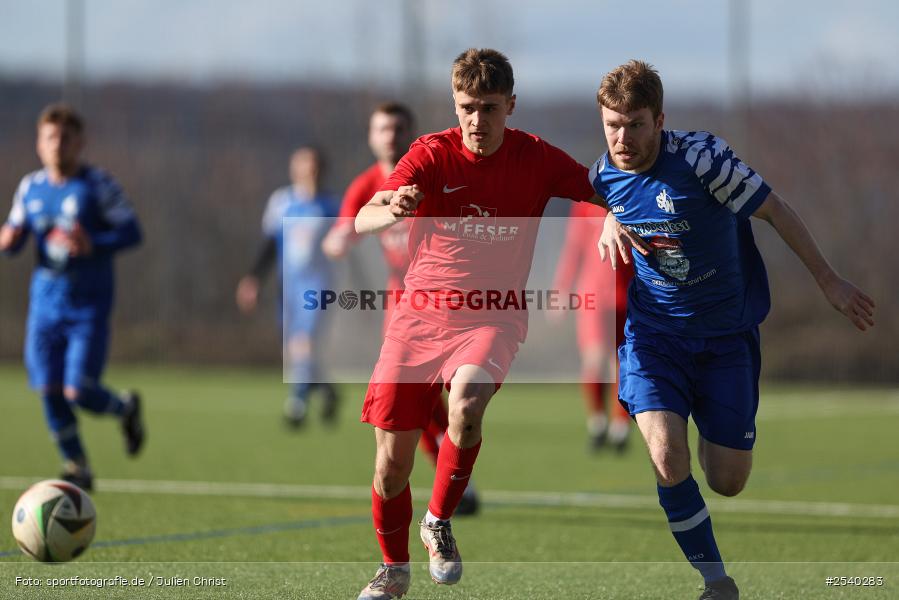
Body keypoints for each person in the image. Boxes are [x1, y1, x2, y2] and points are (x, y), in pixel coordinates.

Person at [592, 60, 875, 600]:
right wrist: (608, 215)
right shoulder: (601, 174)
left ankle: (703, 423)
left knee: (727, 479)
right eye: (612, 124)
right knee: (666, 456)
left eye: (635, 124)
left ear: (660, 120)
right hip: (654, 338)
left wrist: (829, 280)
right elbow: (598, 193)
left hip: (726, 338)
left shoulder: (703, 160)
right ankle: (716, 581)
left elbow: (776, 210)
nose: (622, 137)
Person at [353, 48, 607, 600]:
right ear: (454, 103)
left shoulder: (536, 158)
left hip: (492, 316)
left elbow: (604, 189)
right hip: (416, 319)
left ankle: (438, 520)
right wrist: (392, 208)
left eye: (490, 108)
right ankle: (393, 571)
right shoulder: (430, 155)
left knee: (466, 401)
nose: (477, 120)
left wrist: (615, 218)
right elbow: (362, 215)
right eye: (468, 107)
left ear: (510, 106)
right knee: (391, 467)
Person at [321, 102, 480, 515]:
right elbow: (345, 229)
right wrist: (336, 242)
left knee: (459, 394)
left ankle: (455, 471)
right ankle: (452, 477)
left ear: (409, 133)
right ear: (372, 137)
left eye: (397, 128)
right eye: (381, 129)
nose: (389, 136)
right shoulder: (367, 184)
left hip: (456, 299)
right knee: (413, 399)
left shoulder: (429, 169)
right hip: (404, 303)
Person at [0, 103, 145, 492]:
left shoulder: (99, 186)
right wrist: (9, 241)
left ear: (80, 143)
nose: (57, 146)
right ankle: (77, 465)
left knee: (77, 390)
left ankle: (124, 408)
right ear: (39, 144)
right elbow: (11, 235)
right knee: (47, 388)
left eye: (66, 138)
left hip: (88, 306)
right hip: (45, 305)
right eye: (51, 138)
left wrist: (93, 243)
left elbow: (132, 233)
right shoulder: (31, 187)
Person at [236, 147, 340, 427]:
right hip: (288, 286)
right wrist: (253, 278)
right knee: (294, 350)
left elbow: (347, 251)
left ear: (322, 169)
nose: (309, 171)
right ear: (295, 169)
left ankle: (297, 402)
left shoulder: (332, 206)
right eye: (304, 166)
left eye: (314, 166)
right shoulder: (282, 202)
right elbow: (270, 244)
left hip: (319, 286)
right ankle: (327, 390)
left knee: (303, 342)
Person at [552, 201, 634, 452]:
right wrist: (562, 289)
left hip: (628, 295)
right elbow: (574, 247)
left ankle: (620, 428)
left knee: (623, 363)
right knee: (594, 358)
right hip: (593, 296)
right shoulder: (585, 204)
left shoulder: (636, 196)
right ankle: (597, 422)